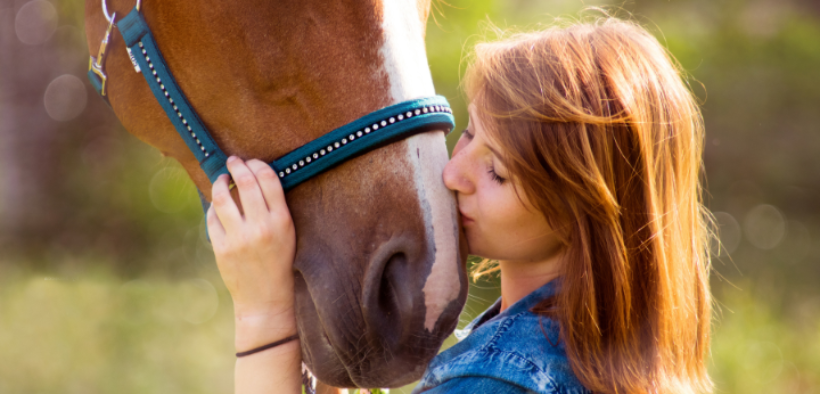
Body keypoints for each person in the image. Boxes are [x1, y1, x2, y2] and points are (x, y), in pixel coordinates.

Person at [206, 16, 713, 394]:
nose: (453, 173)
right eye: (468, 134)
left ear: (585, 210)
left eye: (497, 172)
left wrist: (263, 315)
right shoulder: (625, 359)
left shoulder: (496, 381)